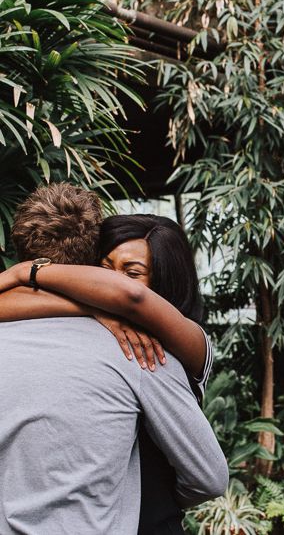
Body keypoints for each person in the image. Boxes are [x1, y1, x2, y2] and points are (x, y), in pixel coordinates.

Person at [0, 183, 228, 533]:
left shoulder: (163, 346)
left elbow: (131, 298)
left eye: (132, 270)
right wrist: (89, 309)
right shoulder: (121, 341)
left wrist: (24, 272)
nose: (109, 283)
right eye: (103, 267)